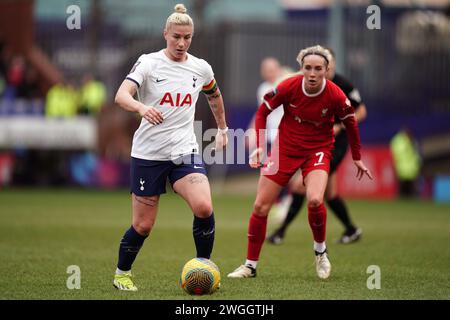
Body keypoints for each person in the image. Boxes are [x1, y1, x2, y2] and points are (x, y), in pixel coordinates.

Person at [227, 45, 372, 280]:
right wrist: (261, 146)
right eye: (308, 68)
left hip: (318, 151)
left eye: (318, 68)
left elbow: (352, 124)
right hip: (285, 150)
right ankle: (250, 266)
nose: (313, 73)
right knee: (260, 207)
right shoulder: (288, 86)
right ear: (301, 69)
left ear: (327, 70)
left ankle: (320, 251)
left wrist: (356, 157)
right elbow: (263, 112)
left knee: (315, 200)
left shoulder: (336, 94)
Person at [112, 4, 228, 291]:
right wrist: (141, 107)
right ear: (165, 34)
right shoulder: (149, 62)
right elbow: (121, 95)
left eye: (187, 37)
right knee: (143, 226)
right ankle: (121, 274)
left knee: (203, 206)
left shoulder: (200, 68)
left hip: (184, 150)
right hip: (148, 153)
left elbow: (214, 95)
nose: (181, 42)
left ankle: (203, 268)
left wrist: (223, 129)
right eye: (176, 36)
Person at [266, 48, 368, 245]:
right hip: (318, 143)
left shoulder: (342, 84)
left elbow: (361, 111)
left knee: (299, 186)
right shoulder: (306, 83)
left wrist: (340, 125)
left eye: (324, 68)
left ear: (330, 66)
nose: (318, 73)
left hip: (336, 144)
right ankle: (352, 229)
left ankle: (281, 231)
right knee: (329, 194)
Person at [390, 127, 421, 197]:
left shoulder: (410, 141)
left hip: (409, 169)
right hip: (405, 169)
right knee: (405, 189)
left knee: (408, 190)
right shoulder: (407, 141)